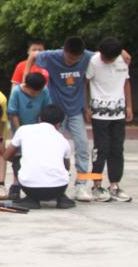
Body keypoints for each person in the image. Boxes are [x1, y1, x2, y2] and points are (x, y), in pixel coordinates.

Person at [25, 38, 94, 201]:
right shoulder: (52, 56)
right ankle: (57, 184)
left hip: (75, 110)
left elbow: (105, 54)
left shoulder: (87, 56)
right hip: (56, 111)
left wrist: (122, 52)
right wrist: (26, 78)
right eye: (69, 58)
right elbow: (33, 56)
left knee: (83, 146)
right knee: (53, 148)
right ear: (64, 51)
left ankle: (81, 185)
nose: (72, 62)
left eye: (76, 59)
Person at [85, 37, 133, 202]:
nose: (106, 60)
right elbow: (85, 83)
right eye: (104, 57)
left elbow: (126, 82)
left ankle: (114, 185)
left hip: (118, 113)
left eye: (109, 58)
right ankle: (96, 185)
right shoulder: (93, 61)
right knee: (100, 149)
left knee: (117, 149)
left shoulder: (122, 60)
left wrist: (129, 106)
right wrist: (86, 107)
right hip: (99, 114)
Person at [4, 104, 76, 209]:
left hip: (30, 188)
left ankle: (31, 199)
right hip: (58, 188)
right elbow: (66, 166)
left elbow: (6, 155)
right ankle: (61, 198)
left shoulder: (23, 130)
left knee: (18, 159)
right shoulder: (63, 140)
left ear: (39, 118)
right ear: (58, 124)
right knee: (61, 164)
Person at [5, 71, 53, 201]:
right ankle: (16, 185)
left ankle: (39, 186)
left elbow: (46, 110)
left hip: (38, 130)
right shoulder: (16, 92)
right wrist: (21, 133)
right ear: (26, 86)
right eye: (34, 92)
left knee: (37, 158)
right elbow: (13, 114)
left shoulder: (44, 91)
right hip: (21, 129)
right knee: (19, 157)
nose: (37, 94)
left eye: (39, 91)